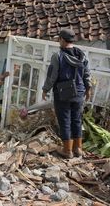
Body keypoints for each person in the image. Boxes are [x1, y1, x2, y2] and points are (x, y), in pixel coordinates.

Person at [42, 29, 91, 159]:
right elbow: (87, 74)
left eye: (59, 39)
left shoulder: (57, 56)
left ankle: (67, 151)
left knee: (65, 120)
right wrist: (88, 89)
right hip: (79, 92)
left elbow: (52, 76)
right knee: (77, 120)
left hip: (63, 92)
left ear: (62, 40)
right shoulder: (82, 55)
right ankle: (78, 149)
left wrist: (45, 89)